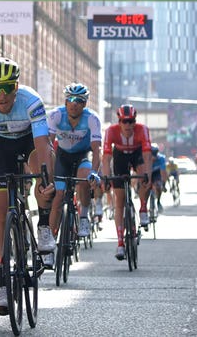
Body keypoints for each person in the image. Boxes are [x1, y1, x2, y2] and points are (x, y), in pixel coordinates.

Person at [0, 57, 53, 316]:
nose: (1, 95)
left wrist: (45, 180)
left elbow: (43, 145)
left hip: (29, 142)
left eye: (7, 88)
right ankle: (3, 285)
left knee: (42, 171)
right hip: (0, 148)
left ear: (17, 86)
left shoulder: (31, 101)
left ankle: (44, 224)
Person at [46, 83, 102, 250]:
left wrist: (94, 172)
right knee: (58, 197)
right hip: (62, 157)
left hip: (82, 156)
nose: (74, 103)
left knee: (85, 179)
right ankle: (50, 238)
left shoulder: (92, 118)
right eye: (70, 99)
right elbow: (47, 145)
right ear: (65, 102)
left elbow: (96, 150)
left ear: (84, 104)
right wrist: (45, 170)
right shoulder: (56, 115)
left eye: (79, 100)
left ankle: (84, 217)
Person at [101, 104, 152, 260]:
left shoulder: (142, 130)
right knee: (120, 201)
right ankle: (120, 243)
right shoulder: (111, 131)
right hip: (120, 157)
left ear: (135, 121)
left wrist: (147, 175)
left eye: (131, 121)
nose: (128, 125)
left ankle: (143, 208)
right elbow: (107, 157)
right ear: (119, 121)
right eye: (125, 121)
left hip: (137, 154)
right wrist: (106, 177)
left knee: (144, 178)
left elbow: (147, 155)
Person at [150, 143, 167, 213]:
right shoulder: (145, 158)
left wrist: (163, 184)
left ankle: (158, 202)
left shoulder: (161, 158)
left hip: (157, 173)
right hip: (149, 173)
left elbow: (163, 172)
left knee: (158, 186)